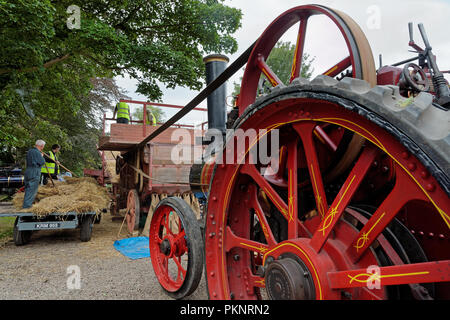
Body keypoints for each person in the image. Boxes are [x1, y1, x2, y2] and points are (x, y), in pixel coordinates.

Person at [23, 140, 46, 209]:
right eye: (43, 146)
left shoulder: (30, 151)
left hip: (28, 171)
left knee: (28, 189)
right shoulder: (37, 152)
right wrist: (42, 156)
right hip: (34, 171)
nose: (43, 148)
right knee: (32, 190)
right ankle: (27, 207)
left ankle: (26, 205)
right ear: (41, 146)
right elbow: (42, 162)